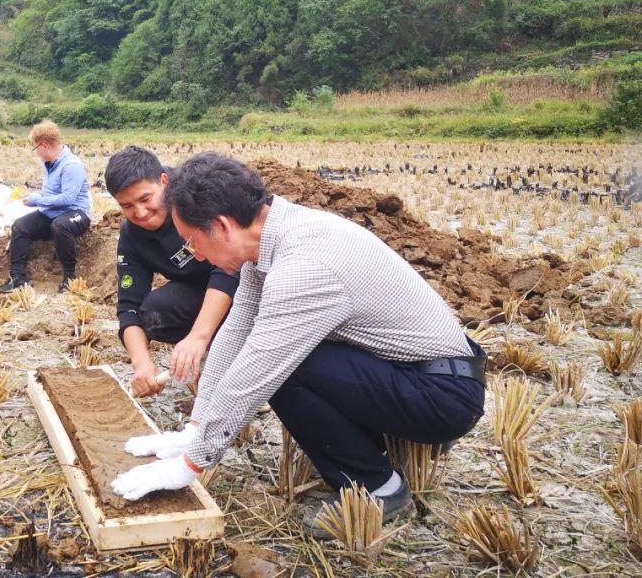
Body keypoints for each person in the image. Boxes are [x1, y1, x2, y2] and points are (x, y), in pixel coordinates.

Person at [110, 153, 485, 533]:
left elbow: (255, 372)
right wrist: (196, 426)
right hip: (409, 373)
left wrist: (192, 463)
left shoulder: (303, 268)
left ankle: (377, 487)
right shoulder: (273, 235)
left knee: (286, 370)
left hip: (444, 394)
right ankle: (392, 441)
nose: (197, 256)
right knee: (277, 357)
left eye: (193, 243)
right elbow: (237, 331)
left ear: (221, 226)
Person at [105, 146, 238, 395]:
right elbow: (128, 307)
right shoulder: (132, 235)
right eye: (127, 206)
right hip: (196, 288)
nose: (140, 213)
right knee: (156, 312)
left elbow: (230, 267)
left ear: (164, 181)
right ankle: (212, 353)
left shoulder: (196, 195)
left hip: (243, 281)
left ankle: (235, 356)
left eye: (145, 199)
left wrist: (198, 336)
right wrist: (141, 364)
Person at [0, 120, 91, 294]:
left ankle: (70, 277)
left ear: (44, 145)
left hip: (76, 213)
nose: (37, 153)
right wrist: (36, 197)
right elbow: (50, 194)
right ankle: (17, 276)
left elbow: (68, 198)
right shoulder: (48, 164)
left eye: (36, 148)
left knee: (60, 225)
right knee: (20, 226)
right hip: (52, 213)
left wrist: (38, 200)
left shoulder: (71, 165)